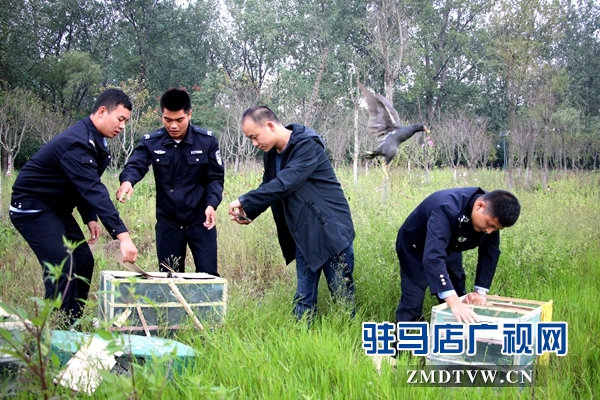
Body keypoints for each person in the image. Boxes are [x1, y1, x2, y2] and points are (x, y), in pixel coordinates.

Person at [9, 88, 139, 324]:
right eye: (120, 119)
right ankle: (54, 330)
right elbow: (94, 190)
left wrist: (89, 217)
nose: (122, 126)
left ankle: (72, 323)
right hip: (32, 207)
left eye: (126, 122)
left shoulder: (95, 141)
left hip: (56, 208)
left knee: (83, 261)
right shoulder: (77, 143)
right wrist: (123, 237)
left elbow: (82, 183)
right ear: (102, 111)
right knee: (62, 265)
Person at [228, 106, 355, 321]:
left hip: (330, 231)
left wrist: (245, 199)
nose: (254, 143)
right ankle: (302, 341)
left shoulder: (307, 145)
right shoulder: (271, 154)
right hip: (303, 234)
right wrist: (249, 210)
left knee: (342, 298)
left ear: (269, 126)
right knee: (303, 299)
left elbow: (286, 182)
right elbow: (270, 185)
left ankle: (351, 342)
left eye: (254, 137)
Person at [117, 89, 224, 275]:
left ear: (189, 114)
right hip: (168, 223)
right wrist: (128, 181)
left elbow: (215, 177)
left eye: (179, 120)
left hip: (200, 220)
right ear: (162, 116)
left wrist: (212, 204)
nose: (173, 125)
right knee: (169, 277)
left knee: (208, 277)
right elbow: (136, 164)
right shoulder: (152, 141)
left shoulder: (206, 141)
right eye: (168, 119)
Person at [395, 187, 521, 325]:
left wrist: (480, 291)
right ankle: (400, 343)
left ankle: (456, 338)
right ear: (479, 206)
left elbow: (490, 252)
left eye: (496, 229)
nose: (489, 231)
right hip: (416, 247)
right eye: (489, 225)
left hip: (449, 246)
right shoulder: (447, 208)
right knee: (413, 301)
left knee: (459, 293)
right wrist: (453, 302)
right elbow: (433, 257)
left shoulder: (493, 209)